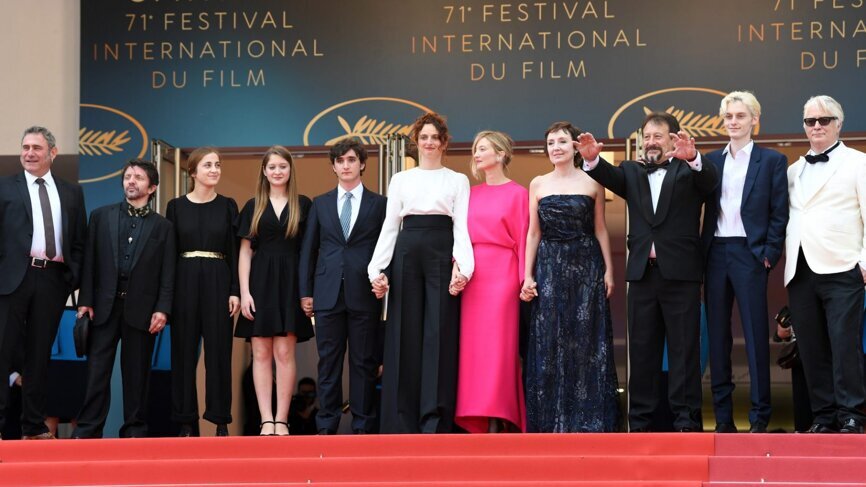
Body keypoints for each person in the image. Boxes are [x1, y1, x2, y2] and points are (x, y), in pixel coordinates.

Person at [577, 112, 719, 432]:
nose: (652, 142)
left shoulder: (689, 170)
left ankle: (686, 423)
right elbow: (608, 176)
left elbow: (710, 182)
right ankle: (640, 423)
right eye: (647, 137)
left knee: (684, 351)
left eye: (658, 136)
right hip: (642, 276)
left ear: (673, 138)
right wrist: (592, 160)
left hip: (680, 275)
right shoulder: (632, 170)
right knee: (641, 352)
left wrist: (694, 157)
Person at [367, 112, 474, 434]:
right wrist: (377, 268)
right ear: (417, 141)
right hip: (407, 249)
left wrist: (464, 267)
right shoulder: (401, 179)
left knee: (438, 333)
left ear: (444, 142)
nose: (429, 142)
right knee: (403, 332)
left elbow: (462, 226)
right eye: (423, 137)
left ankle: (435, 419)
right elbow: (390, 226)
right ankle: (402, 420)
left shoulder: (457, 179)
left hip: (443, 249)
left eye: (434, 137)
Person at [519, 122, 619, 432]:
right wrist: (527, 275)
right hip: (549, 266)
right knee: (550, 342)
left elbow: (600, 228)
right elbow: (533, 233)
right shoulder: (537, 184)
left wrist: (609, 270)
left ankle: (588, 423)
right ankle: (551, 424)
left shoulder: (592, 183)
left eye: (562, 141)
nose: (556, 147)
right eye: (551, 142)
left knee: (586, 341)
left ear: (575, 147)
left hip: (586, 265)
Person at [701, 91, 789, 434]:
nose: (733, 122)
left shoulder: (771, 161)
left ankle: (760, 417)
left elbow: (779, 212)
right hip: (716, 253)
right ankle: (723, 419)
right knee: (718, 337)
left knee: (754, 335)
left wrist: (768, 255)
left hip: (750, 254)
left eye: (740, 115)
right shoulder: (709, 161)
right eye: (728, 116)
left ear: (755, 119)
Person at [73, 160, 175, 438]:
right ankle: (88, 429)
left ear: (151, 187)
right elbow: (90, 263)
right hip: (103, 307)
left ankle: (134, 430)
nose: (131, 181)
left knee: (137, 374)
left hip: (142, 310)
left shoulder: (163, 226)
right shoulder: (100, 216)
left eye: (139, 178)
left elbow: (168, 272)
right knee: (97, 371)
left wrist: (163, 309)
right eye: (128, 177)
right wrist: (86, 301)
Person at [784, 95, 866, 434]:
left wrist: (864, 261)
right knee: (811, 347)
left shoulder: (859, 163)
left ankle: (852, 415)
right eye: (810, 121)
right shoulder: (794, 170)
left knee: (844, 343)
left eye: (824, 120)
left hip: (843, 265)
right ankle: (823, 415)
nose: (817, 126)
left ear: (838, 124)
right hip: (801, 269)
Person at [0, 126, 87, 440]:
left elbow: (79, 241)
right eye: (25, 147)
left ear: (52, 152)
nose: (29, 153)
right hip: (11, 281)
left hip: (52, 280)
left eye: (36, 147)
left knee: (39, 356)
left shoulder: (72, 192)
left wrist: (70, 278)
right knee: (3, 351)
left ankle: (34, 427)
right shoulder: (4, 187)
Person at [299, 138, 386, 435]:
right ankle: (326, 427)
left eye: (351, 160)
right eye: (340, 161)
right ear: (334, 166)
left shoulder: (380, 204)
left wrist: (384, 278)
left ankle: (363, 428)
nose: (346, 165)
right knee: (329, 364)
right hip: (327, 294)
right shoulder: (320, 203)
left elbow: (386, 247)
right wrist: (305, 291)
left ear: (362, 163)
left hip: (365, 293)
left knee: (363, 363)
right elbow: (309, 249)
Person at [236, 145, 313, 436]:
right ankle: (265, 419)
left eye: (283, 166)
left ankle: (282, 420)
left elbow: (309, 251)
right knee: (260, 352)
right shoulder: (252, 205)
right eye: (272, 167)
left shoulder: (303, 205)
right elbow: (244, 252)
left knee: (284, 352)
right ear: (265, 172)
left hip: (291, 284)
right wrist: (245, 292)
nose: (277, 171)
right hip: (259, 284)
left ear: (290, 170)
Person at [455, 130, 528, 433]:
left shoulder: (519, 193)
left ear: (500, 154)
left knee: (499, 349)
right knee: (473, 350)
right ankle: (477, 415)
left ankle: (500, 416)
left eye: (482, 148)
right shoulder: (468, 193)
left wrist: (525, 278)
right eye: (475, 149)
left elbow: (525, 239)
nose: (476, 153)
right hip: (472, 278)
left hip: (504, 276)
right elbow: (459, 239)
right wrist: (457, 270)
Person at [166, 147, 240, 437]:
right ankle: (186, 422)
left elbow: (234, 251)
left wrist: (234, 289)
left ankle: (220, 420)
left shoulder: (228, 205)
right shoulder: (175, 206)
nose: (214, 169)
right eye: (208, 165)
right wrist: (167, 296)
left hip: (218, 280)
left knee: (219, 352)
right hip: (184, 281)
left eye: (218, 165)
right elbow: (169, 254)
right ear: (193, 171)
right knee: (183, 352)